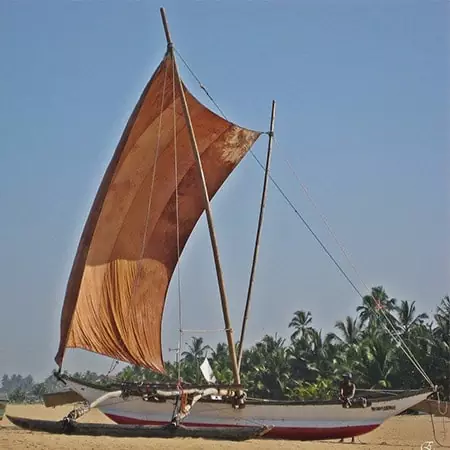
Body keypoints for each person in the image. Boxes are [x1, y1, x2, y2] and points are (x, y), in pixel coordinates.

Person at [339, 373, 356, 443]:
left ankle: (353, 438)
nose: (344, 379)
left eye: (345, 378)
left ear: (349, 379)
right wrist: (343, 397)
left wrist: (348, 398)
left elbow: (352, 394)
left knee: (351, 422)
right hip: (344, 401)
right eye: (344, 378)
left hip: (350, 402)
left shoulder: (352, 385)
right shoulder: (342, 384)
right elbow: (341, 392)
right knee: (342, 421)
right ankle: (342, 438)